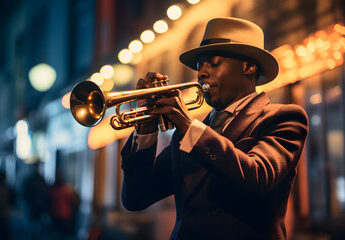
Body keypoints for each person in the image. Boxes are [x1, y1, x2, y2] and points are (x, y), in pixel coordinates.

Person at [120, 17, 308, 240]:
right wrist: (146, 128)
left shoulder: (284, 118)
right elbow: (135, 198)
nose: (201, 73)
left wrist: (189, 128)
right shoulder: (188, 133)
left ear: (249, 66)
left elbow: (256, 177)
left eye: (214, 63)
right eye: (200, 66)